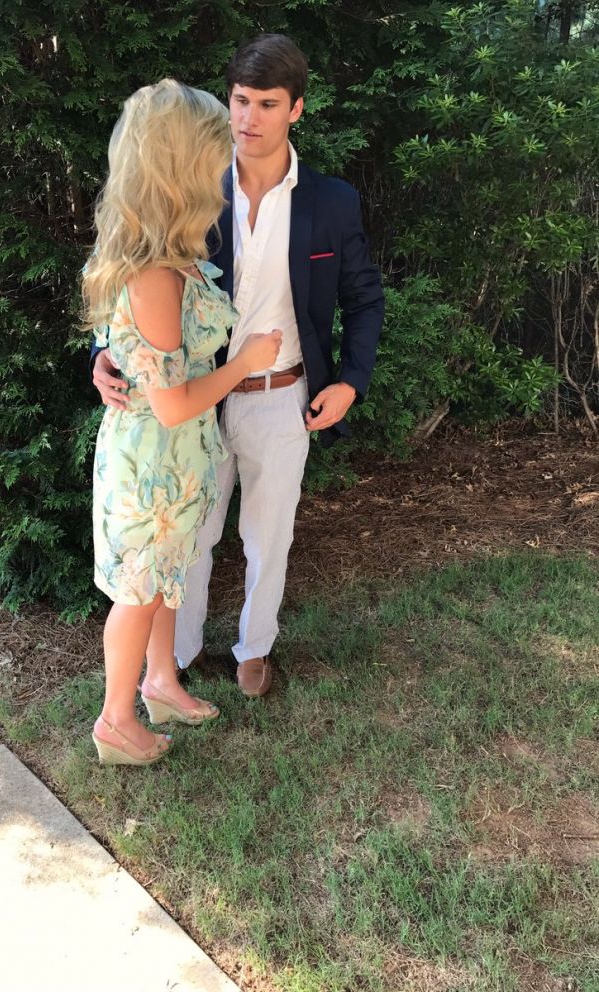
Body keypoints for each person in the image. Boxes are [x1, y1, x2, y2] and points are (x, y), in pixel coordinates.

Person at [93, 36, 384, 699]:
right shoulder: (195, 187)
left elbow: (365, 298)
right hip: (196, 397)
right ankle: (178, 658)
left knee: (268, 536)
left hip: (283, 395)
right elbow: (133, 266)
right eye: (240, 101)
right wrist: (105, 349)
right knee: (188, 537)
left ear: (297, 109)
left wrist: (350, 381)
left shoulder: (332, 202)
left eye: (267, 104)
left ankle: (255, 648)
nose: (248, 118)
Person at [83, 79, 282, 765]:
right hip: (154, 459)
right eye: (212, 153)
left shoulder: (171, 253)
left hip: (176, 456)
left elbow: (140, 353)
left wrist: (109, 356)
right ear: (180, 167)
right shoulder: (155, 274)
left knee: (166, 577)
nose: (223, 166)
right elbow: (169, 401)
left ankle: (161, 682)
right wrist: (245, 363)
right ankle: (116, 720)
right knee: (140, 593)